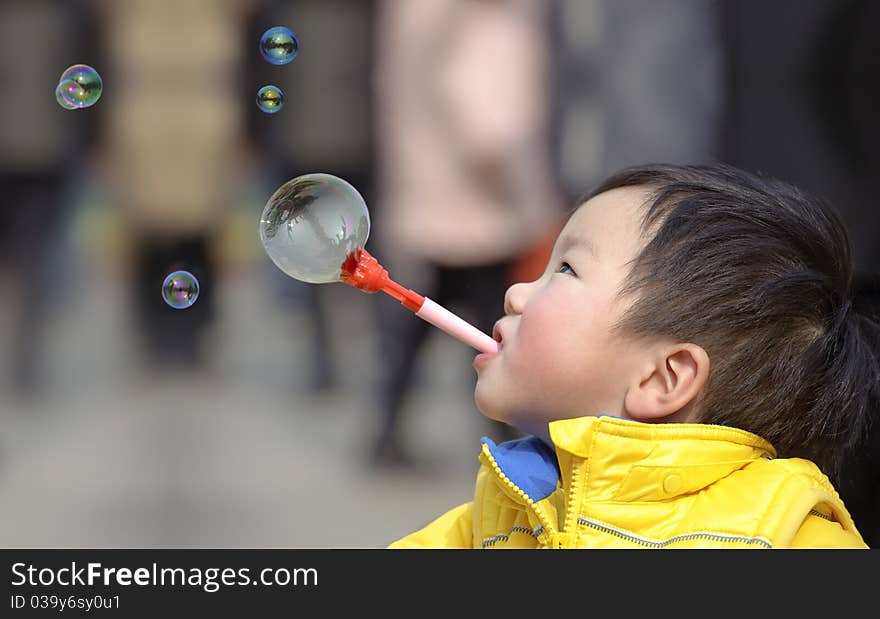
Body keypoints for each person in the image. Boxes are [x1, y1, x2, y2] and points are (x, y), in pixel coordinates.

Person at [388, 162, 877, 548]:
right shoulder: (501, 514)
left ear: (663, 378)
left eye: (564, 270)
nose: (516, 292)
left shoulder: (786, 535)